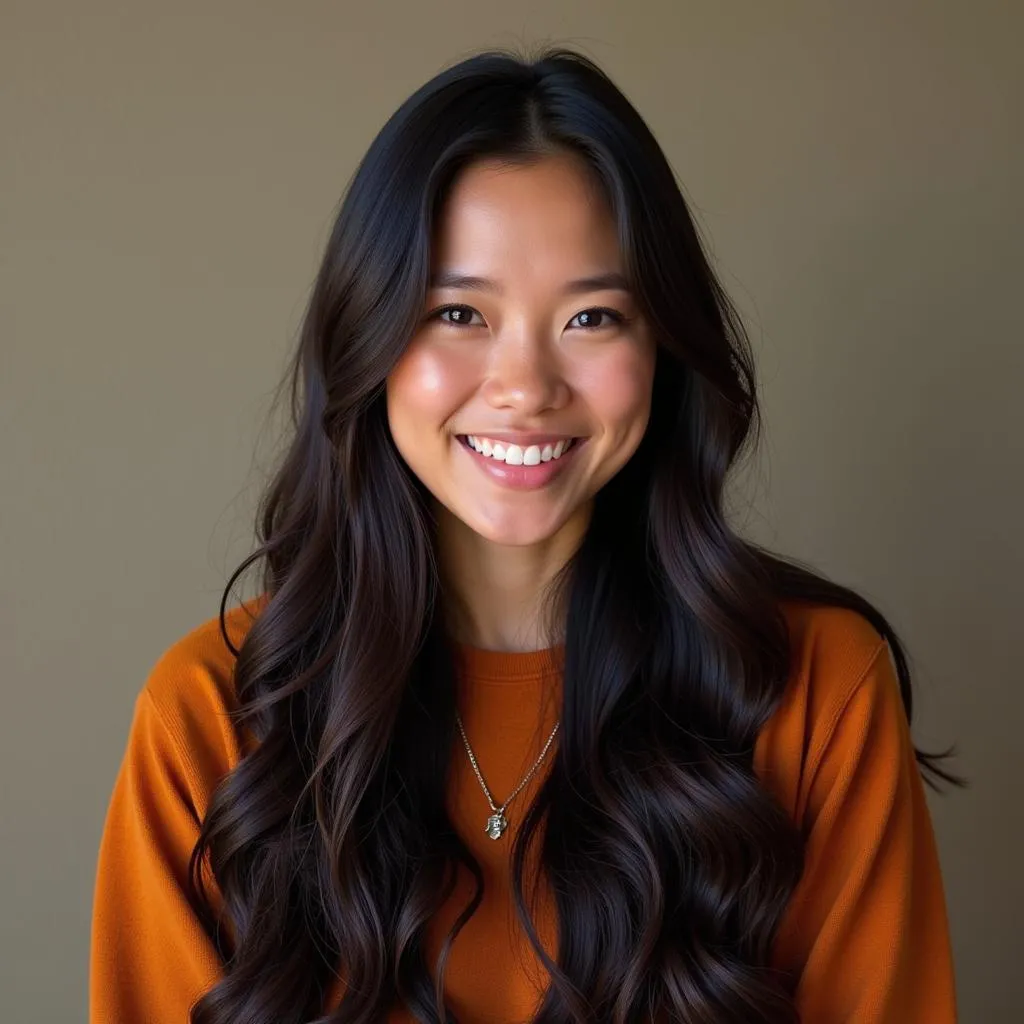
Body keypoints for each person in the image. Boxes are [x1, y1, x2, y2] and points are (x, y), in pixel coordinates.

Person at [89, 46, 959, 1024]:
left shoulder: (815, 692)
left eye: (591, 316)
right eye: (457, 311)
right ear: (367, 340)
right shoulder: (206, 718)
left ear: (661, 347)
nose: (525, 388)